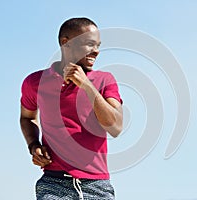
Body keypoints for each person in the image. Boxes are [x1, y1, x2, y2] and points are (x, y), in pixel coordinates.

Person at [20, 17, 123, 200]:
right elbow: (27, 117)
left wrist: (87, 86)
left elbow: (115, 127)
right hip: (53, 184)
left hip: (97, 187)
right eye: (90, 44)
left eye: (98, 45)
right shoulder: (34, 82)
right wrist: (33, 145)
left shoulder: (104, 80)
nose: (97, 51)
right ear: (66, 43)